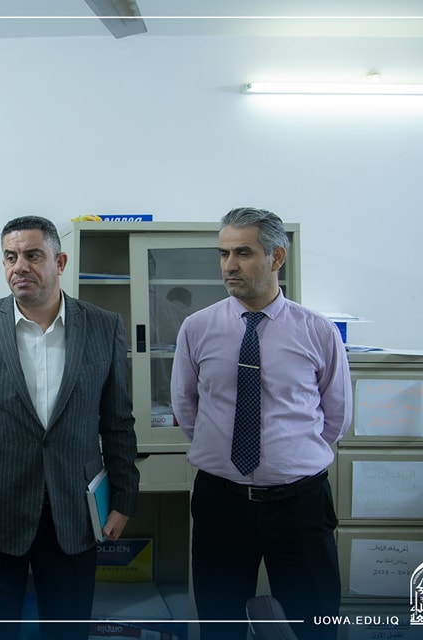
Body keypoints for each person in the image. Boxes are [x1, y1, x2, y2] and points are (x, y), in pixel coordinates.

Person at [0, 215, 140, 640]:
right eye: (10, 257)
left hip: (74, 511)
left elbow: (118, 421)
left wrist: (124, 498)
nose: (20, 267)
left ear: (59, 261)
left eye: (33, 255)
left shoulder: (104, 326)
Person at [170, 207, 351, 640]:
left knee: (315, 623)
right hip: (221, 503)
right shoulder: (197, 328)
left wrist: (288, 457)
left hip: (300, 505)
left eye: (243, 253)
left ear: (276, 257)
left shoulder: (317, 331)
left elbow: (336, 415)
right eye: (224, 254)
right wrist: (227, 453)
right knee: (219, 624)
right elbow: (186, 406)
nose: (229, 265)